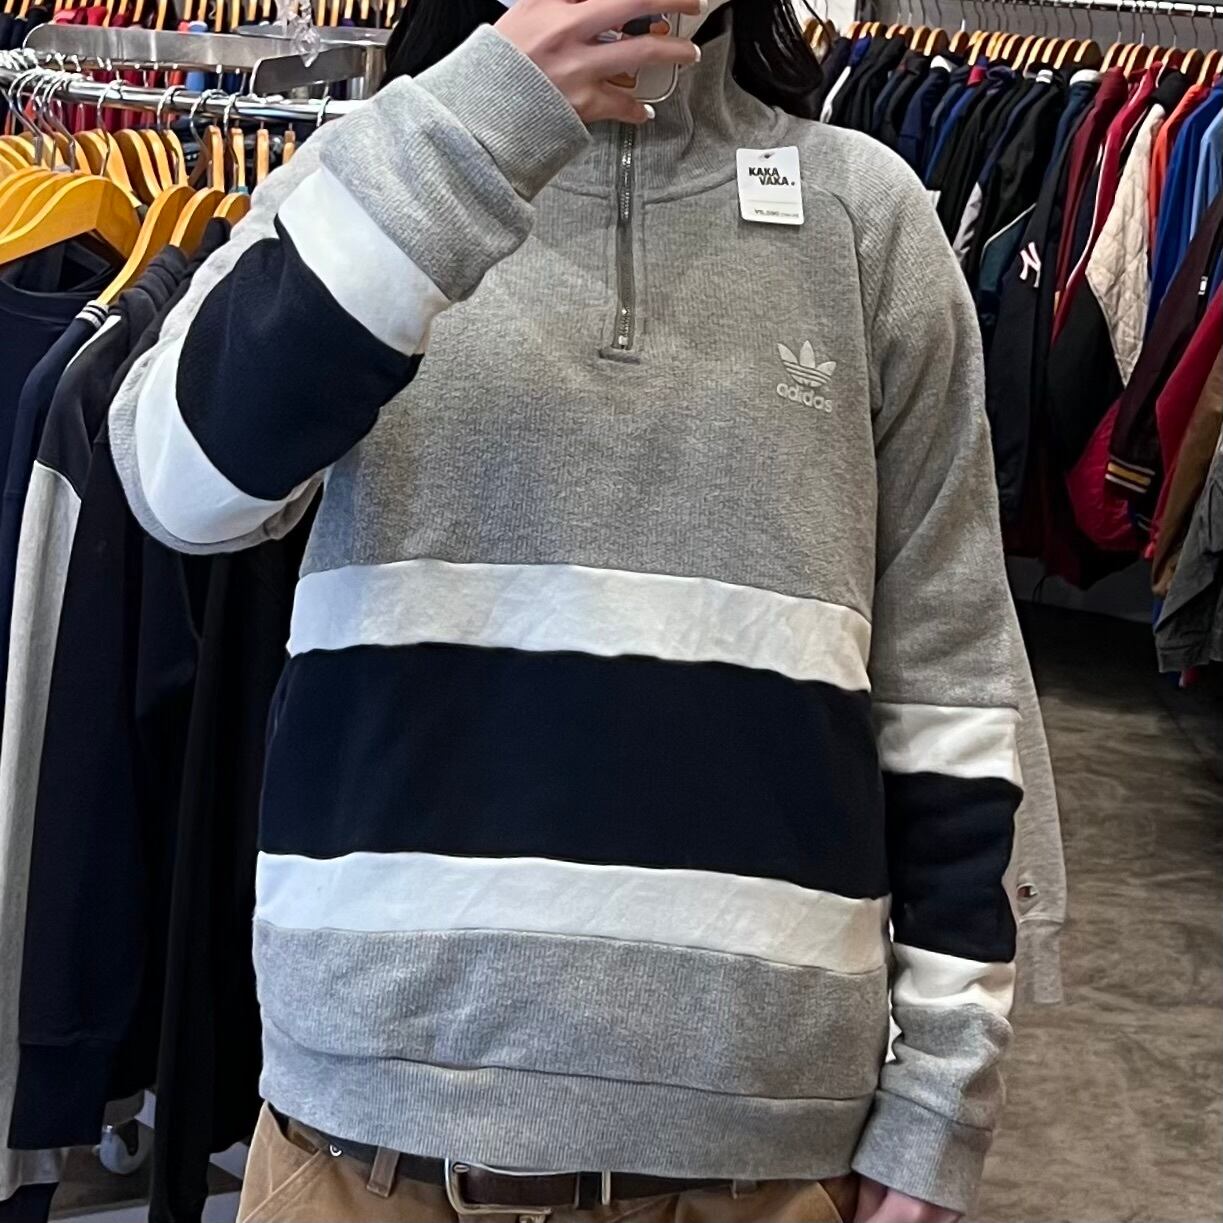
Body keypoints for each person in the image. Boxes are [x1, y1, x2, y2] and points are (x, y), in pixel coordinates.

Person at [110, 1, 1037, 1219]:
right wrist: (486, 116)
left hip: (753, 1149)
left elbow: (950, 681)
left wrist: (938, 1105)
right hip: (364, 1139)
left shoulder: (861, 215)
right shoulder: (369, 179)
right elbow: (182, 488)